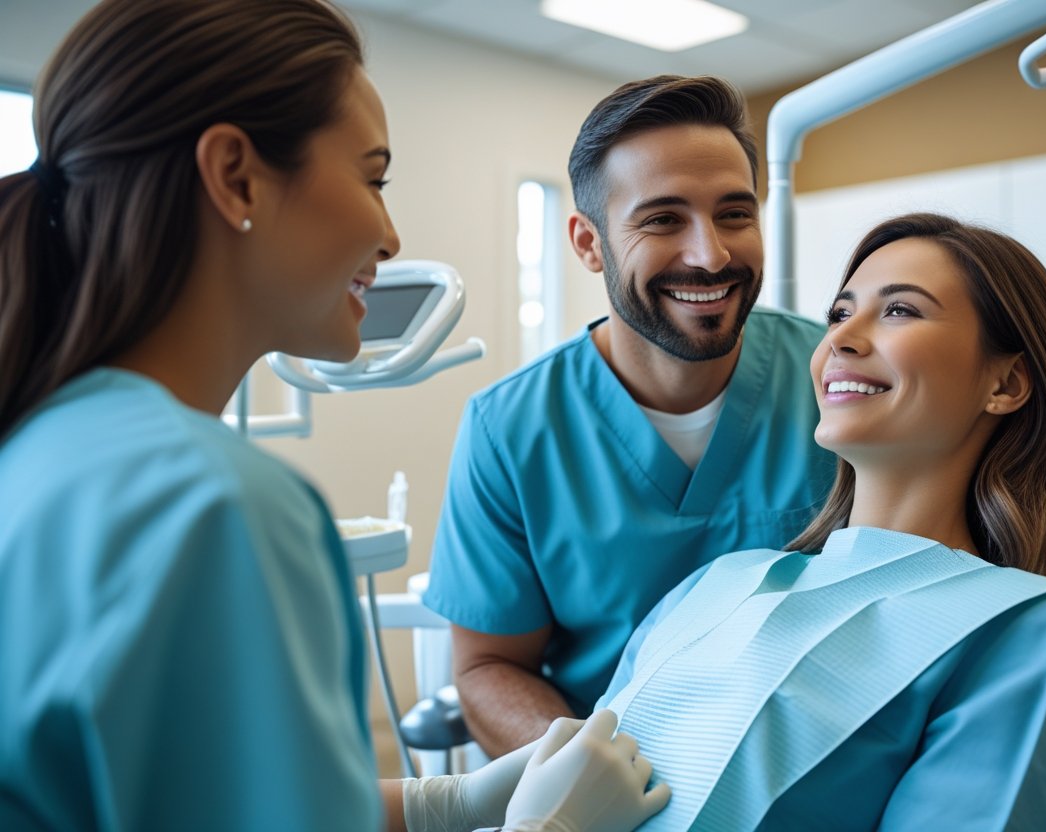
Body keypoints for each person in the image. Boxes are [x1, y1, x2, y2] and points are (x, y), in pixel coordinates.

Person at [0, 1, 668, 830]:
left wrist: (448, 801)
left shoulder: (39, 446)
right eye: (372, 178)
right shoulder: (217, 507)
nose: (389, 236)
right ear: (235, 176)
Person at [597, 213, 1046, 830]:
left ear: (1007, 381)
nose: (840, 341)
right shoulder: (721, 581)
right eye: (838, 314)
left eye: (901, 310)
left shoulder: (1031, 641)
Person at [424, 75, 837, 757]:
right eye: (663, 219)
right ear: (588, 244)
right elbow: (488, 667)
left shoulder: (836, 379)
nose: (711, 255)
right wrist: (594, 778)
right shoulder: (510, 431)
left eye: (735, 214)